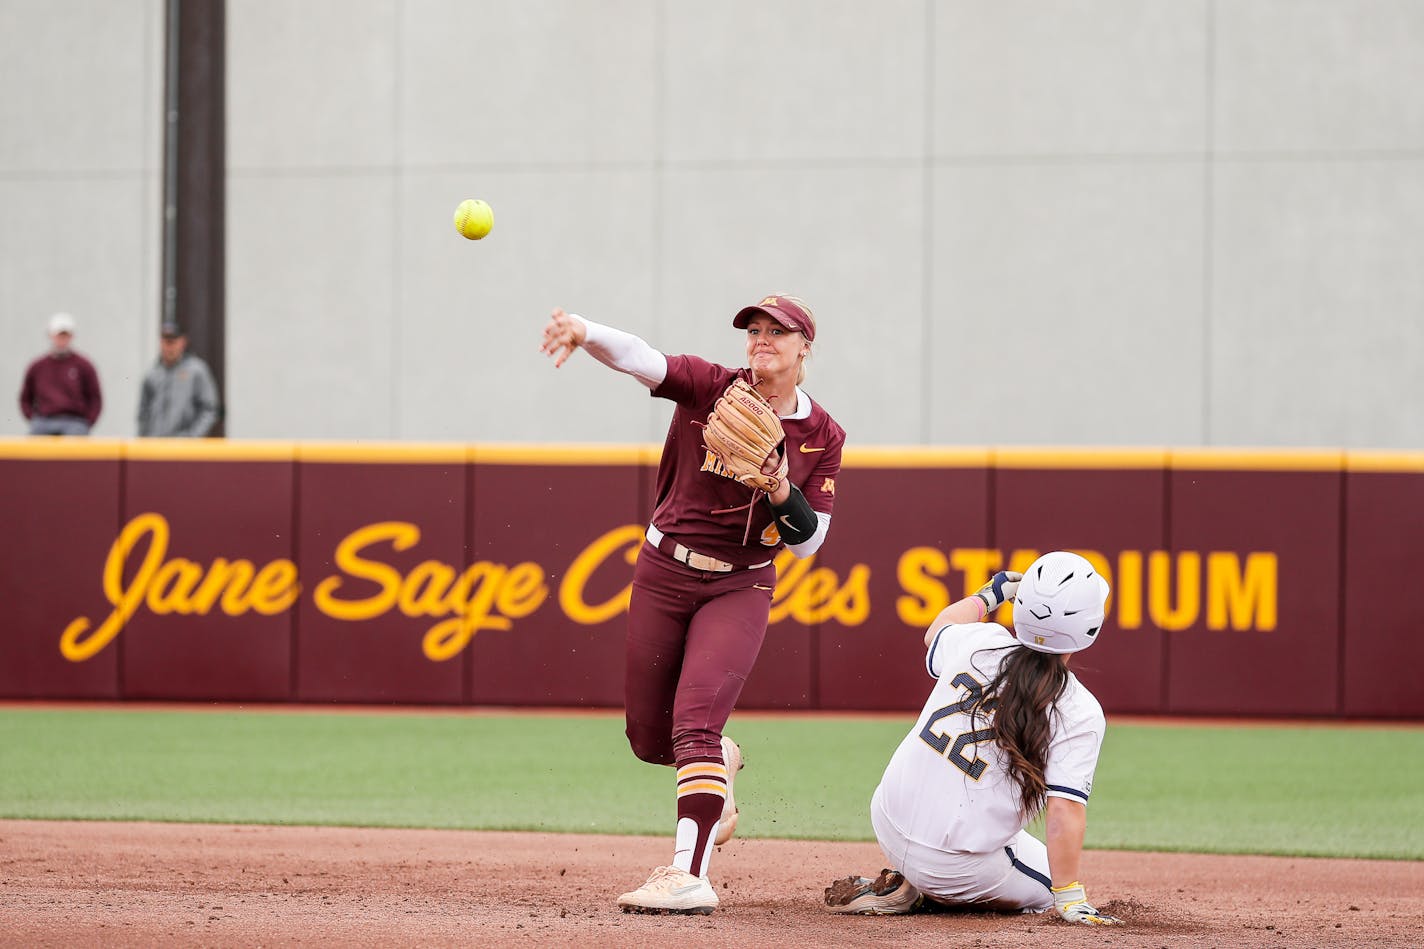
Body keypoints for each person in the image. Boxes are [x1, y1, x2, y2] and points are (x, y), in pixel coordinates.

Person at [539, 294, 846, 916]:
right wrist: (583, 329)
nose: (762, 339)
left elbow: (811, 543)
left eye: (777, 331)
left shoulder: (821, 436)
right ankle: (721, 761)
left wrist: (782, 486)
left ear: (803, 346)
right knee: (651, 740)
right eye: (754, 330)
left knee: (695, 725)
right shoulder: (711, 387)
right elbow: (640, 358)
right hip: (663, 570)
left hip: (741, 584)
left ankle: (688, 873)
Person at [824, 551, 1124, 926]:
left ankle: (909, 880)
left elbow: (937, 629)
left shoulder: (981, 642)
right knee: (1048, 887)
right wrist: (1069, 896)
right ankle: (922, 894)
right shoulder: (1077, 708)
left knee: (1013, 842)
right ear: (1090, 626)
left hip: (886, 821)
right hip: (954, 869)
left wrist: (990, 594)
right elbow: (1064, 810)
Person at [18, 312, 103, 435]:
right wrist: (33, 419)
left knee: (75, 443)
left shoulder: (84, 365)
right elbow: (25, 398)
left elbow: (95, 399)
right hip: (44, 421)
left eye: (66, 335)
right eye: (59, 335)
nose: (62, 340)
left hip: (74, 421)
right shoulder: (37, 367)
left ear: (71, 337)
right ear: (50, 336)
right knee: (35, 442)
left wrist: (87, 422)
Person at [137, 321, 220, 437]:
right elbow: (143, 413)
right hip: (155, 447)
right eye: (166, 342)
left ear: (183, 342)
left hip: (183, 449)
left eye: (173, 342)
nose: (169, 347)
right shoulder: (152, 374)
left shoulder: (196, 371)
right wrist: (144, 438)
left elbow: (209, 409)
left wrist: (192, 437)